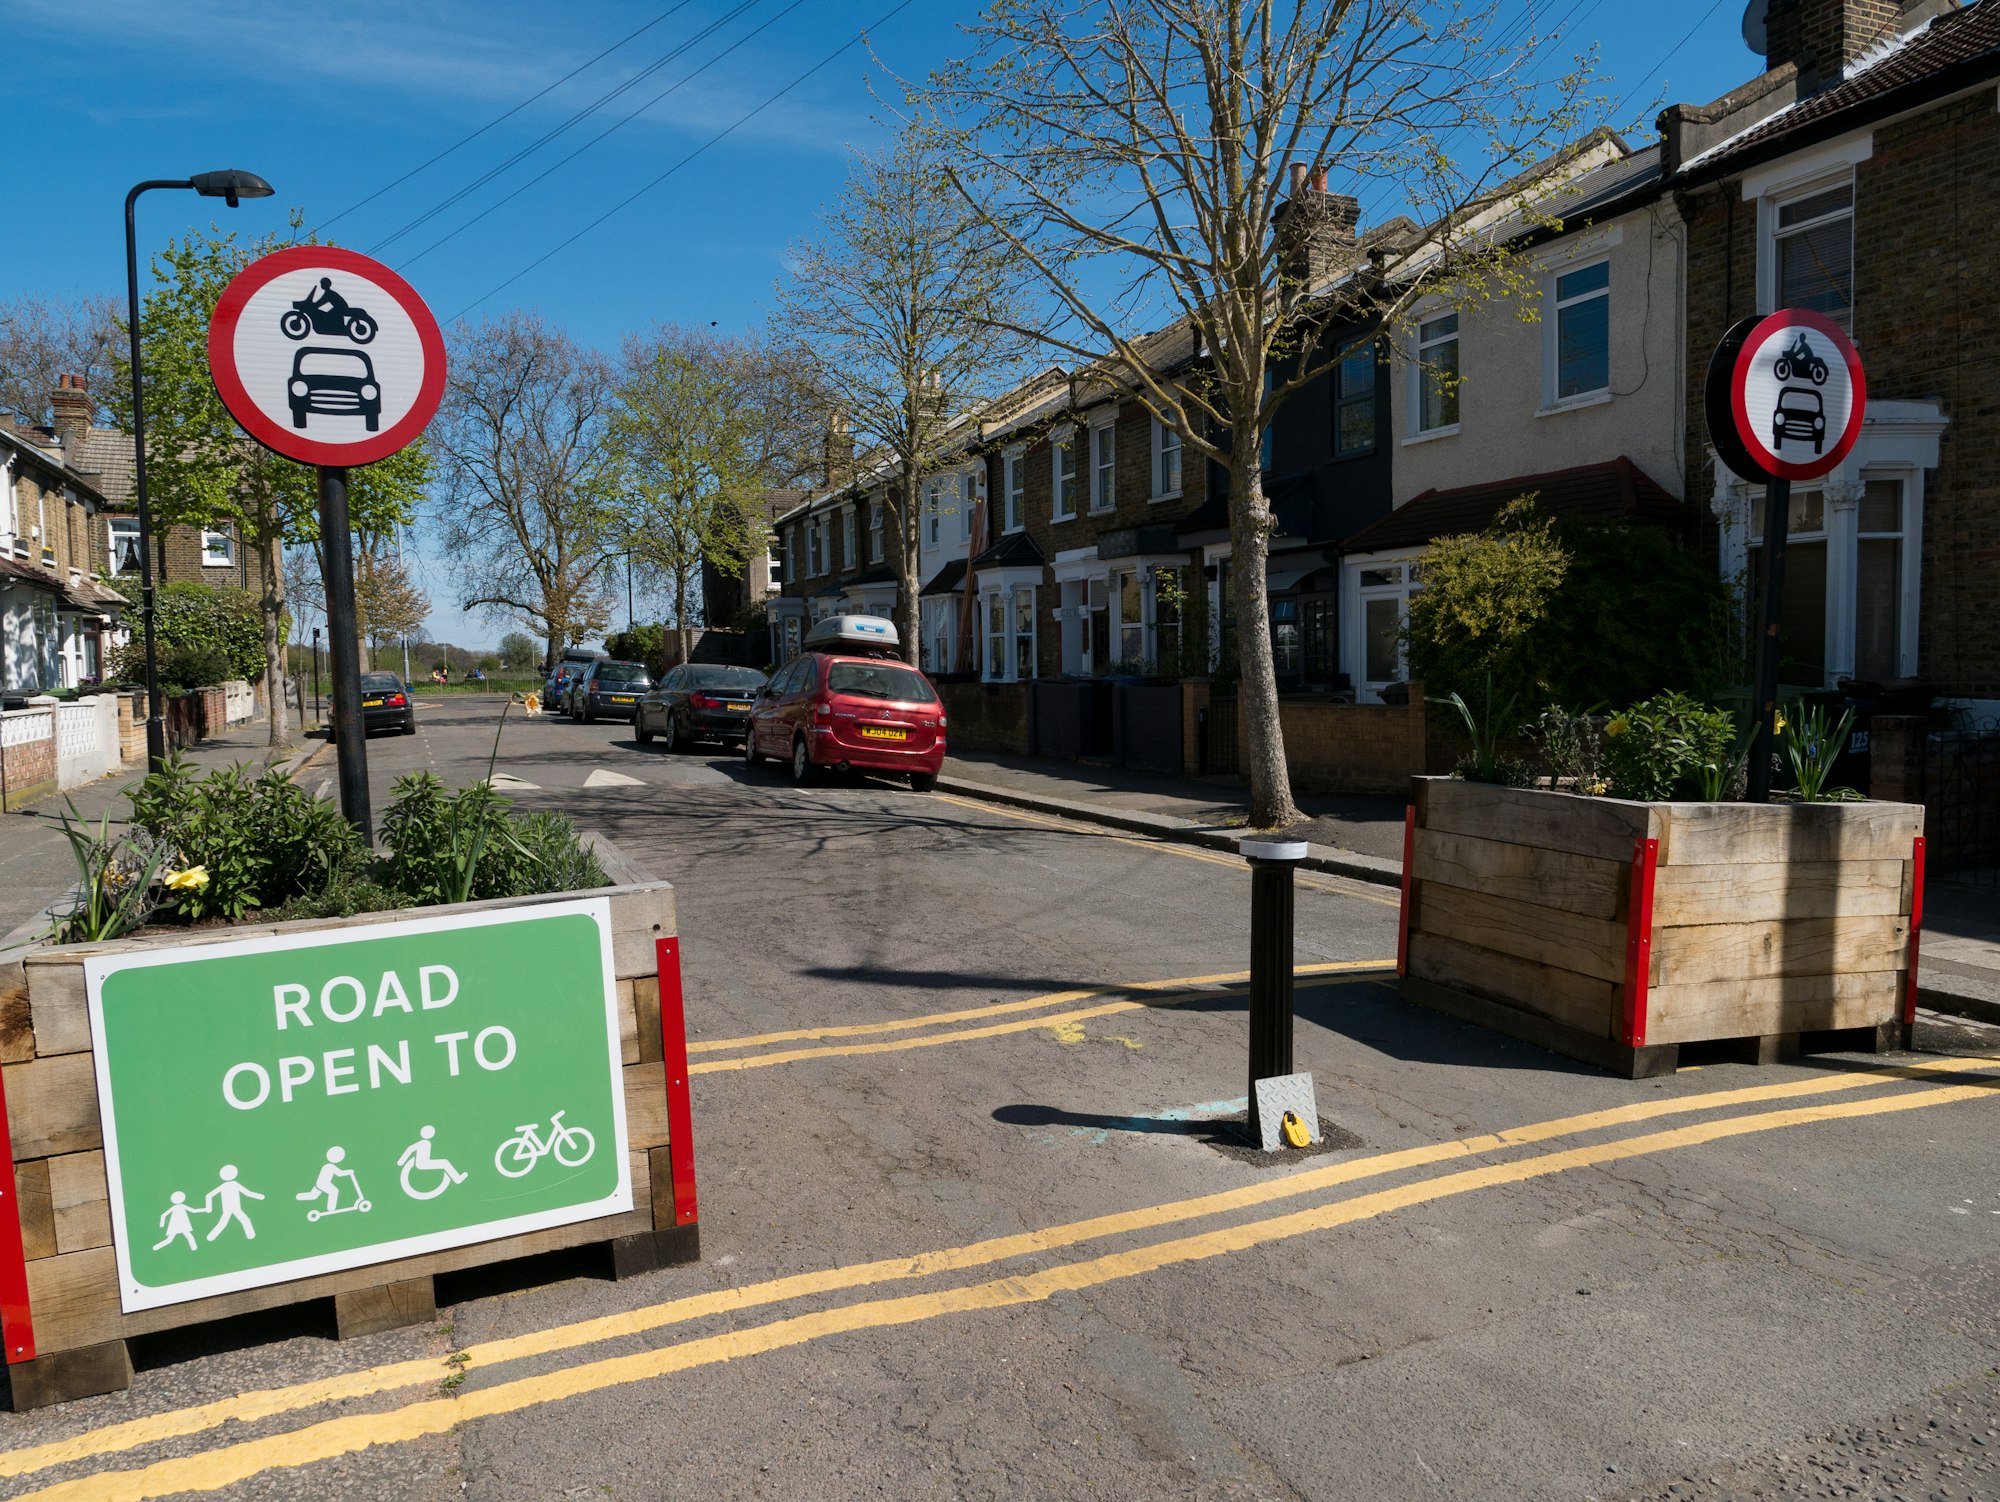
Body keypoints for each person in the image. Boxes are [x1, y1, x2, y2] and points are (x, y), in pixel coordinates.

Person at [203, 1164, 264, 1242]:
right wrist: (260, 1197)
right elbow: (248, 1193)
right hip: (230, 1208)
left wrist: (209, 1208)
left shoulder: (228, 1185)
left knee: (242, 1221)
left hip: (235, 1208)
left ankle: (211, 1237)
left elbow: (208, 1196)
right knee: (234, 1222)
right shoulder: (230, 1185)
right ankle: (210, 1237)